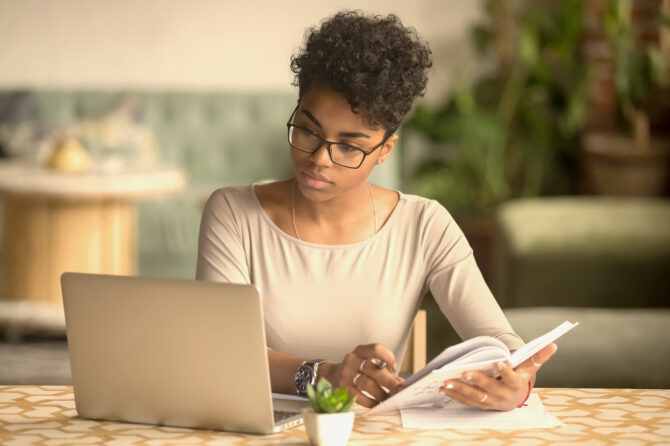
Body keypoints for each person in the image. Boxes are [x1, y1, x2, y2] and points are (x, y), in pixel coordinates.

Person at [196, 10, 556, 411]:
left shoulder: (424, 225)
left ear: (385, 150)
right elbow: (220, 350)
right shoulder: (232, 213)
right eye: (308, 130)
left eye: (349, 146)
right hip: (260, 431)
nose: (319, 159)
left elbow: (497, 338)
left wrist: (517, 380)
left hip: (375, 433)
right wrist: (322, 376)